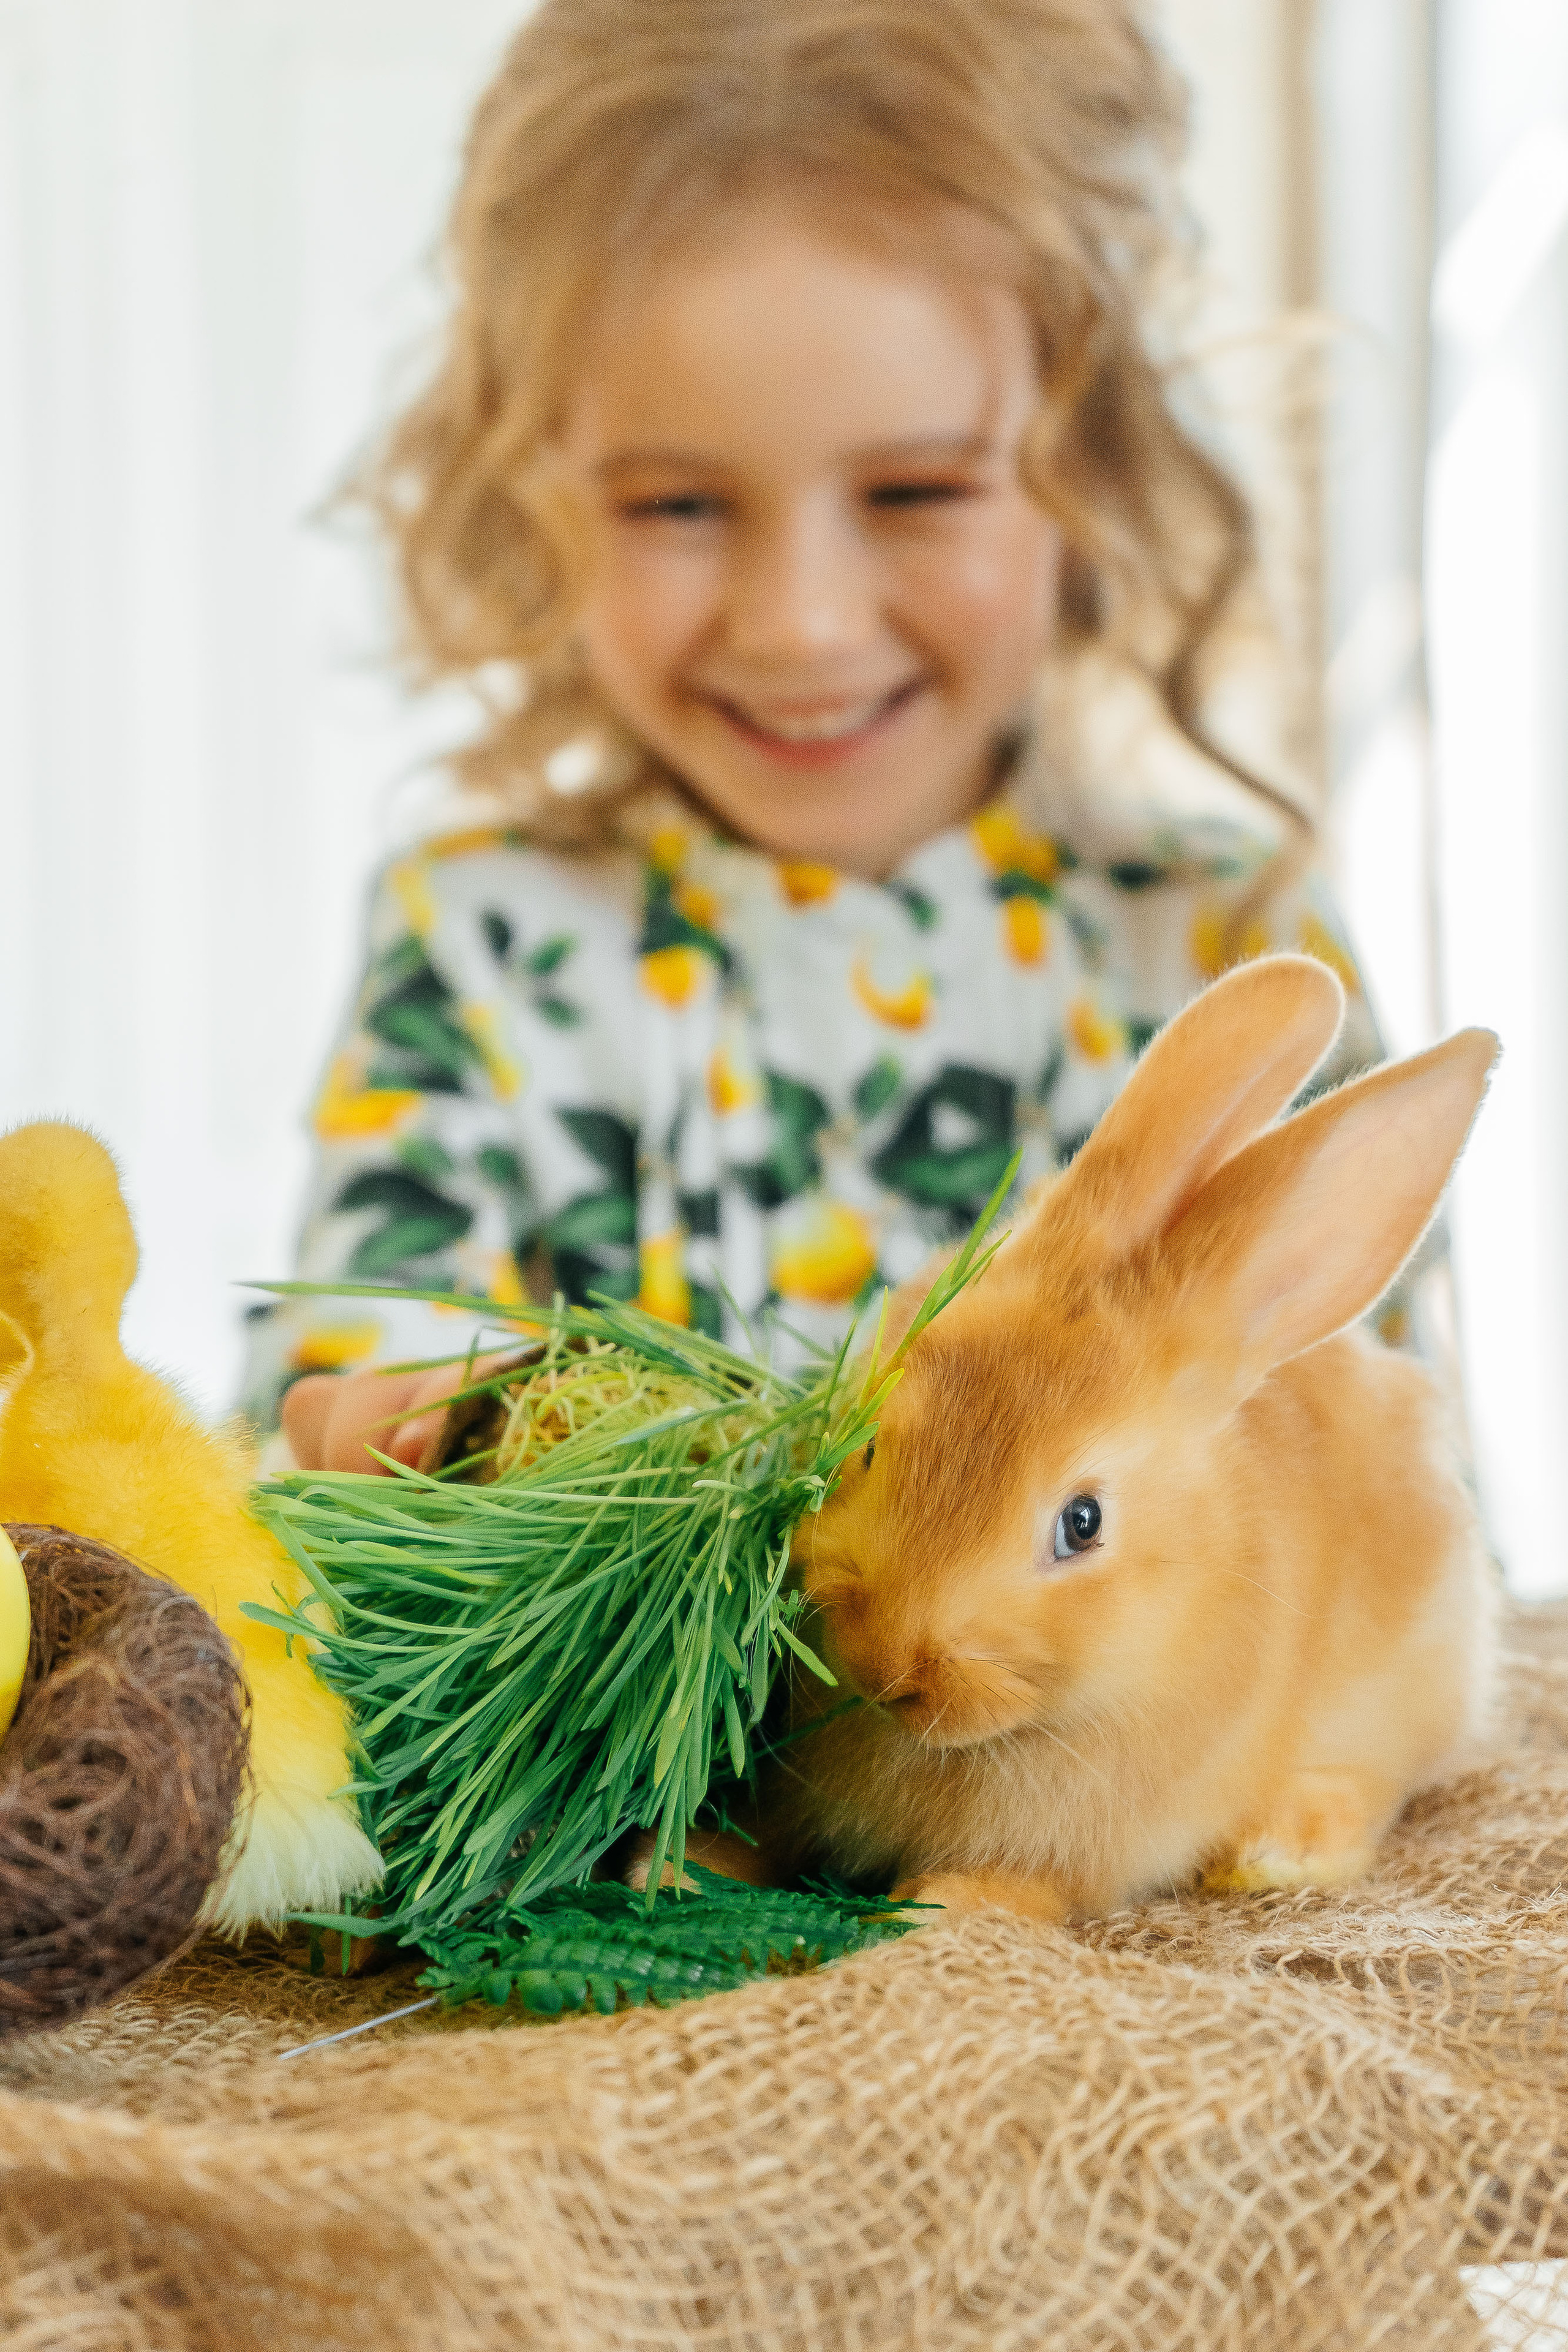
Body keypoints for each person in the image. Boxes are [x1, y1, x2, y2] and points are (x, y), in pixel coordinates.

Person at [257, 0, 1387, 1478]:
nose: (799, 623)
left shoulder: (1233, 946)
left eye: (915, 492)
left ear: (1092, 473)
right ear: (534, 500)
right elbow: (330, 1446)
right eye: (674, 505)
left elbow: (1378, 1518)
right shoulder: (474, 953)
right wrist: (387, 1452)